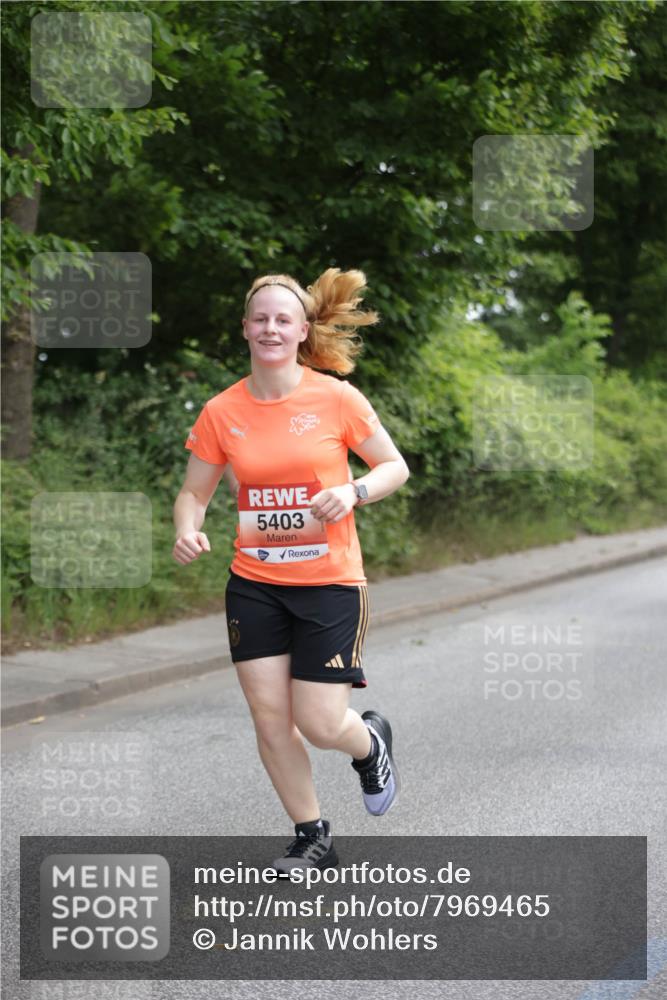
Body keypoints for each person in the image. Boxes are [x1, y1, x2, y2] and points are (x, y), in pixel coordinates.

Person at [172, 267, 410, 875]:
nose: (271, 328)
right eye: (261, 319)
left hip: (330, 584)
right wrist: (186, 527)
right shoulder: (222, 411)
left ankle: (370, 743)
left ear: (302, 330)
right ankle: (312, 836)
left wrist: (354, 491)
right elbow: (193, 493)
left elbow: (394, 467)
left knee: (321, 721)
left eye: (284, 319)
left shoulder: (335, 398)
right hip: (254, 583)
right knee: (271, 716)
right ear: (246, 328)